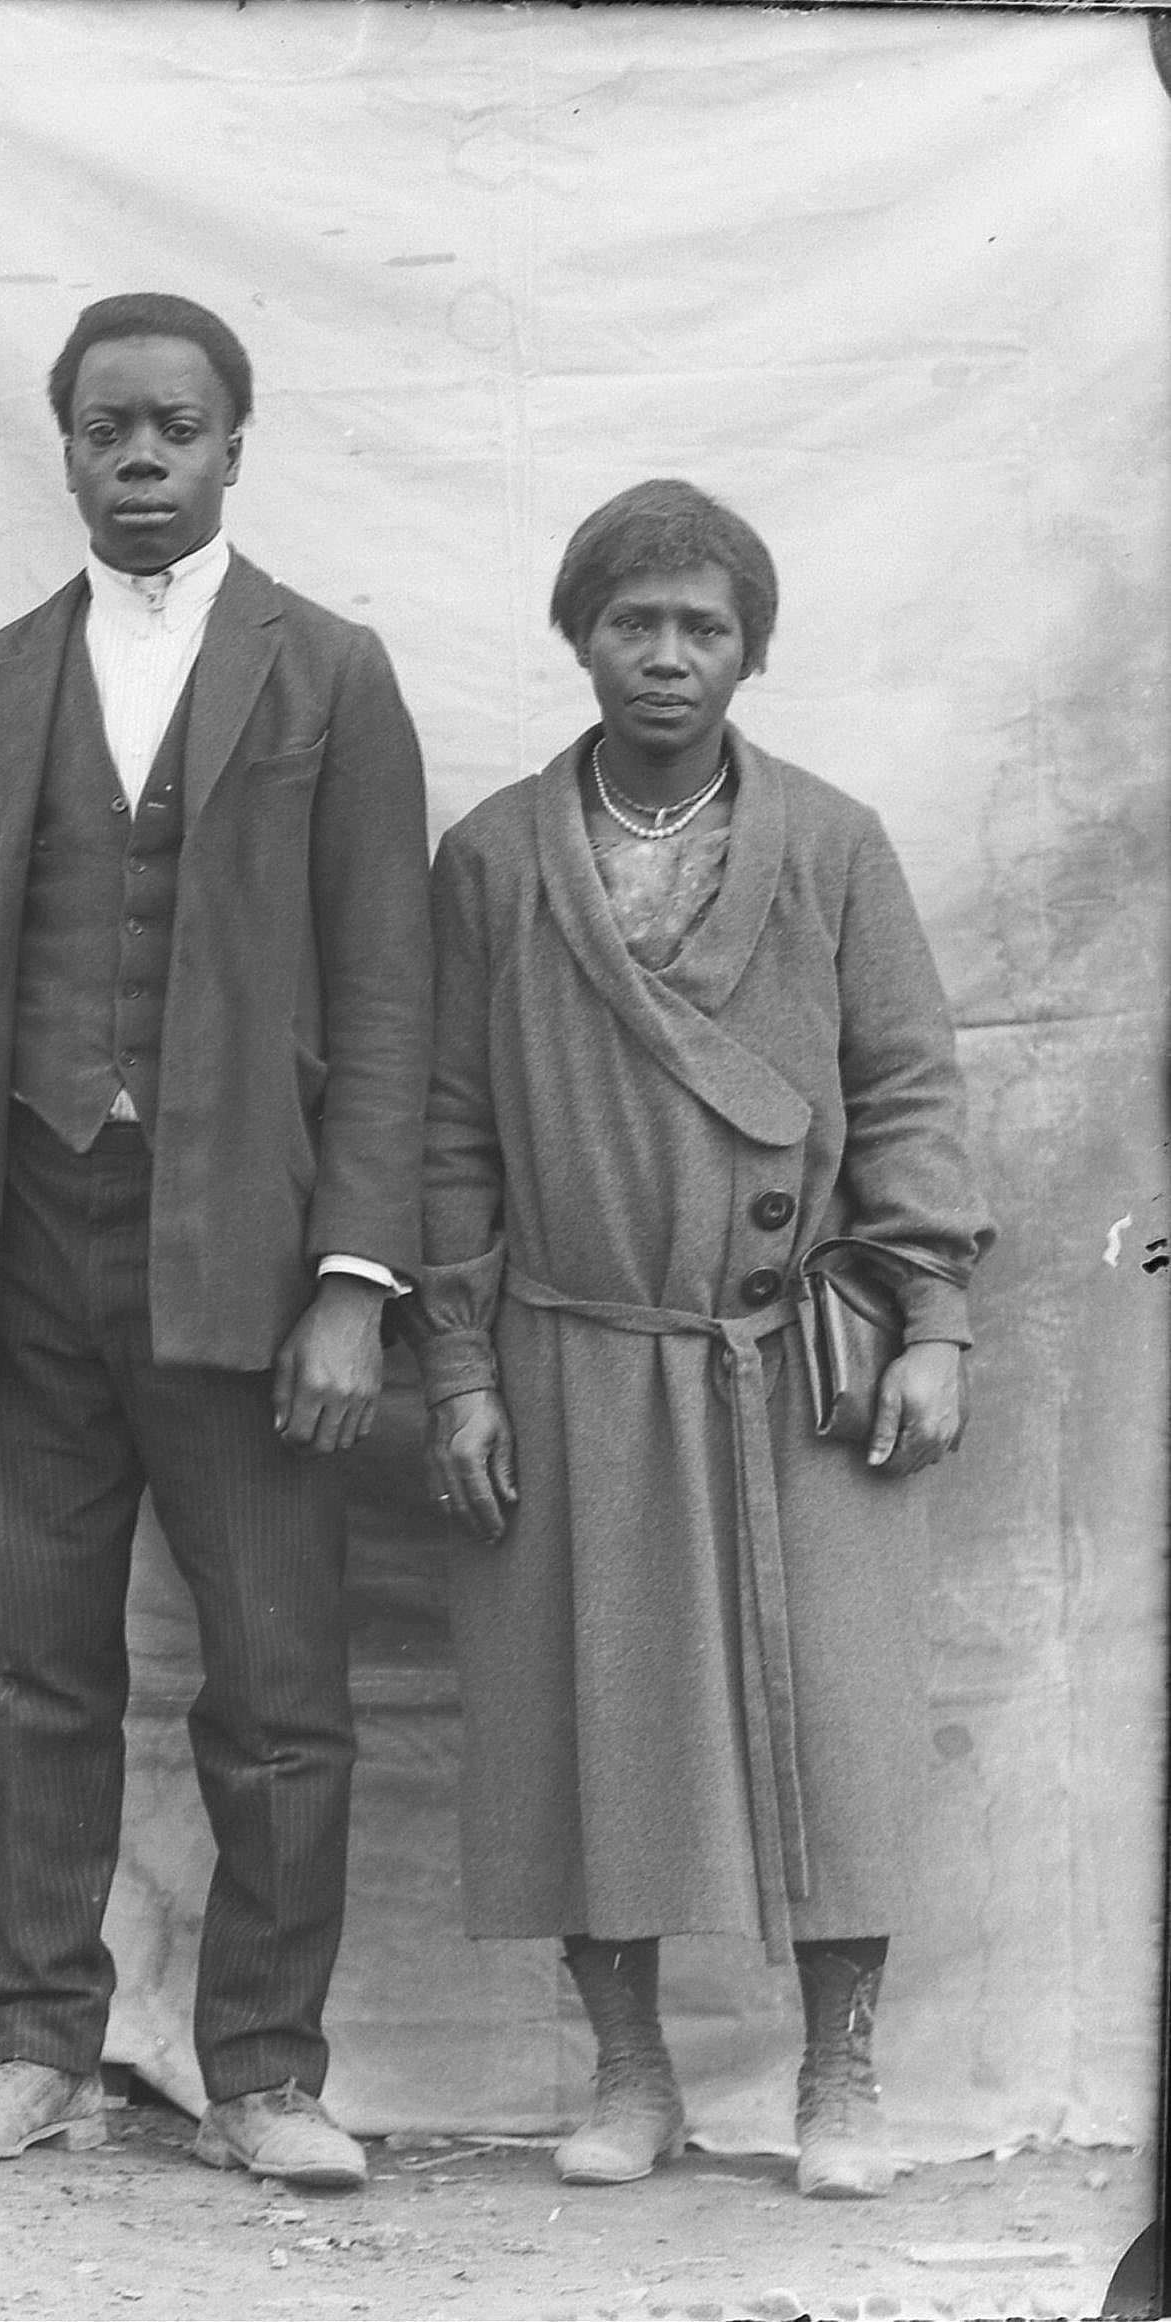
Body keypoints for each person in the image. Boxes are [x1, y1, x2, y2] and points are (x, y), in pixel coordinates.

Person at [0, 293, 431, 2188]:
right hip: (22, 1247)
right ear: (68, 452)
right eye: (108, 429)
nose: (143, 459)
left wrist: (353, 1282)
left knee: (275, 1686)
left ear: (236, 446)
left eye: (176, 427)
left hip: (246, 1260)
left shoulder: (329, 672)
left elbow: (389, 996)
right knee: (34, 1669)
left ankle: (264, 2070)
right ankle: (36, 2047)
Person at [414, 479, 992, 2200]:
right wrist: (459, 1368)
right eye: (632, 622)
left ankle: (840, 2077)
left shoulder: (830, 842)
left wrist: (934, 1320)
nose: (664, 656)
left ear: (750, 651)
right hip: (578, 1350)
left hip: (797, 1350)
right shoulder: (494, 860)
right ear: (578, 637)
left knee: (835, 1715)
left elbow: (906, 1087)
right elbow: (449, 1131)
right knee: (585, 1716)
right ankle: (629, 2072)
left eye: (702, 626)